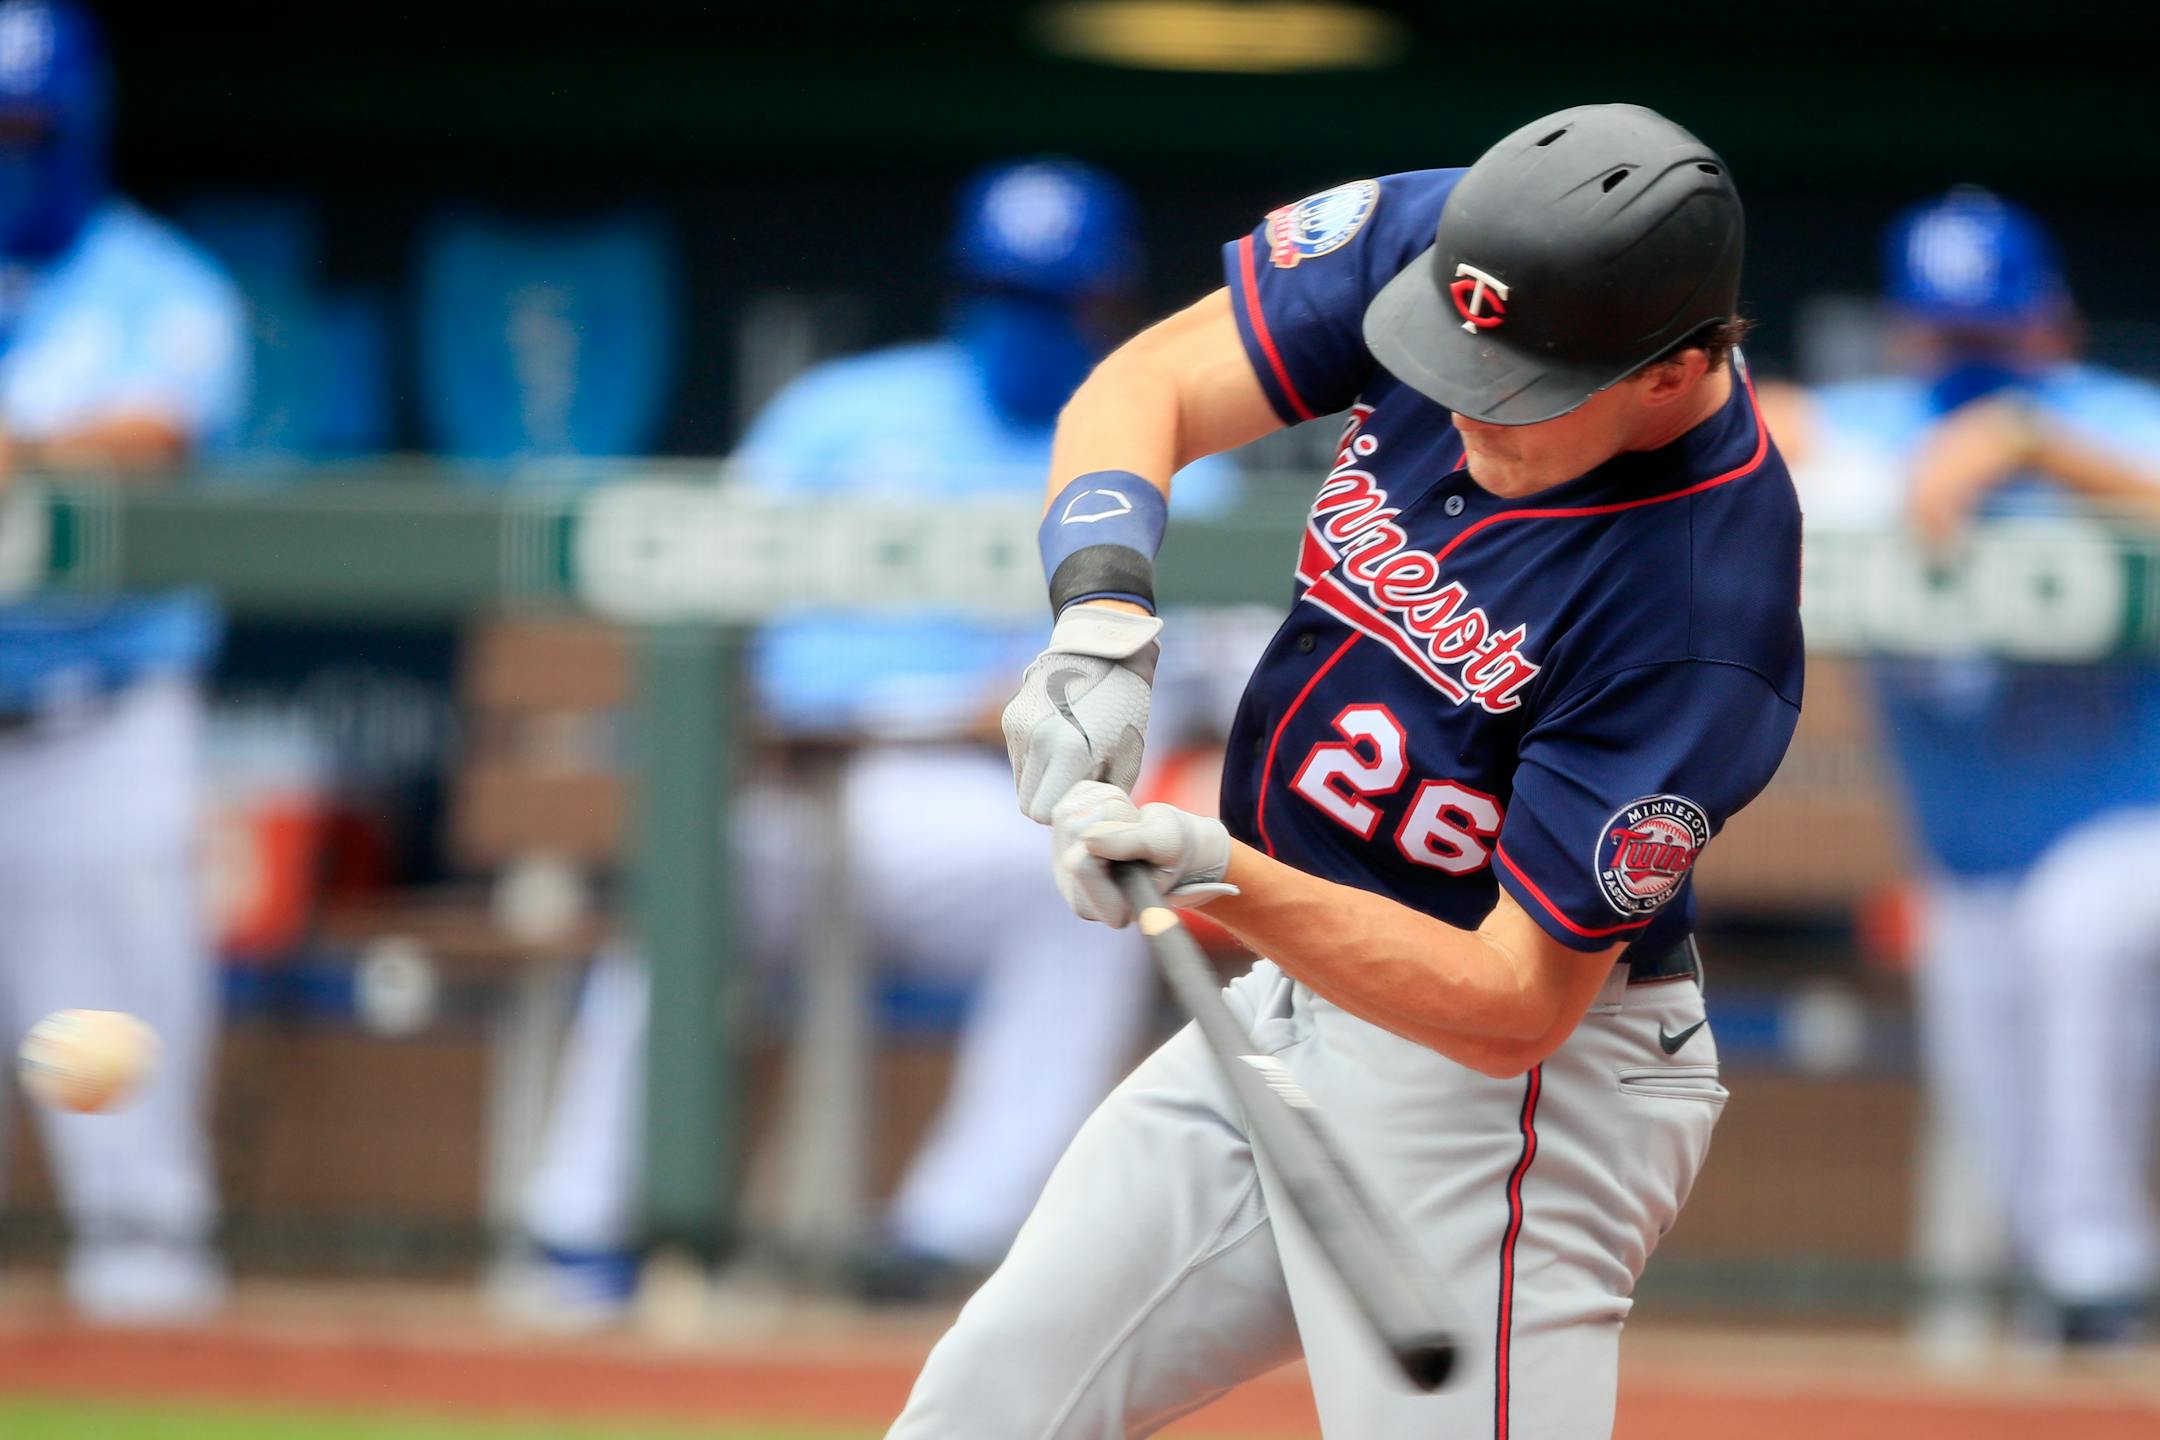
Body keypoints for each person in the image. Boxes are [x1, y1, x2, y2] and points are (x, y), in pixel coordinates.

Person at [890, 102, 1802, 1435]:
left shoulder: (1699, 603)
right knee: (983, 1409)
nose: (1465, 401)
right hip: (1297, 1007)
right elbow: (1143, 384)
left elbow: (1516, 1005)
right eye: (1458, 356)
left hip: (1513, 1102)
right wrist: (1101, 610)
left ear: (1671, 372)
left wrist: (1216, 869)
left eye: (1521, 387)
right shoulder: (1467, 238)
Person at [514, 158, 1237, 1309]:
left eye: (1050, 300)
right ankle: (579, 1237)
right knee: (695, 887)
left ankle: (947, 1242)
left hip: (986, 807)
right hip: (802, 788)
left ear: (1107, 304)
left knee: (1096, 894)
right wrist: (743, 725)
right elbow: (710, 607)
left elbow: (1190, 669)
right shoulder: (845, 411)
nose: (1020, 323)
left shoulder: (1165, 444)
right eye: (999, 291)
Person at [1796, 188, 2160, 1347]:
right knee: (2009, 1142)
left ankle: (2105, 1270)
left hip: (2135, 823)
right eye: (1951, 335)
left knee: (2079, 926)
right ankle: (2081, 1312)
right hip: (1969, 857)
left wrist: (2028, 441)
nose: (1975, 359)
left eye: (1996, 333)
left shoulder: (2115, 415)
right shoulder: (1871, 431)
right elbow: (1750, 418)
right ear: (1908, 333)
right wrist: (1763, 419)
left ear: (2051, 322)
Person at [0, 0, 247, 1322]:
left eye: (27, 131)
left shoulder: (164, 287)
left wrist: (30, 452)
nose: (7, 155)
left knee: (135, 1175)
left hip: (98, 728)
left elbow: (161, 434)